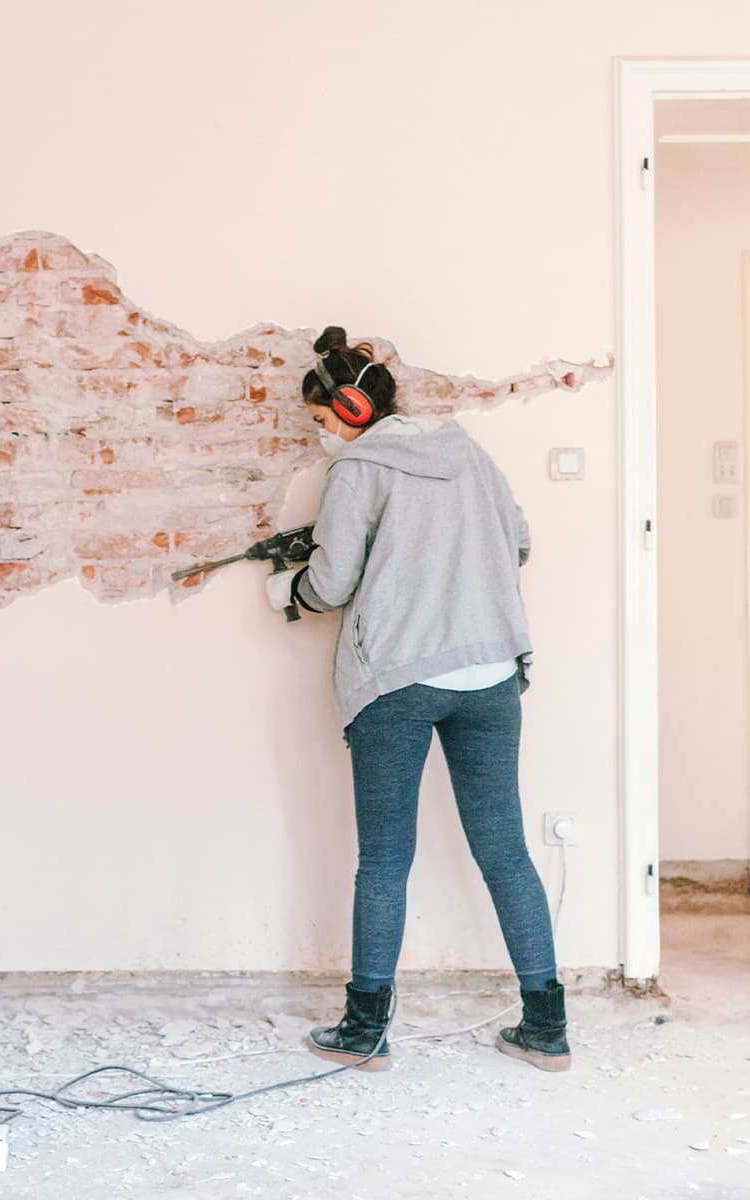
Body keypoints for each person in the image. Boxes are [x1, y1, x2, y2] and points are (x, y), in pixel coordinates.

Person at [268, 326, 570, 1073]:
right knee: (504, 850)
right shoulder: (469, 454)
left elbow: (333, 585)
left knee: (385, 858)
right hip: (491, 674)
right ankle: (547, 1028)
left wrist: (289, 591)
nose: (323, 436)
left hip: (398, 683)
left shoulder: (356, 471)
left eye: (322, 422)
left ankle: (365, 1032)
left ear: (350, 410)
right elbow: (519, 539)